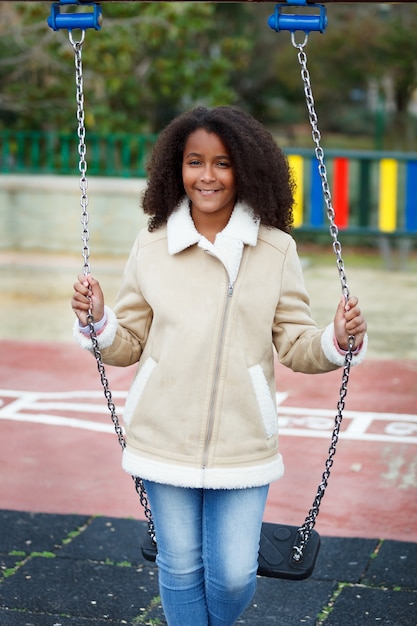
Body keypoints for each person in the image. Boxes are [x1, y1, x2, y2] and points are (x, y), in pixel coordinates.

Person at [71, 106, 367, 626]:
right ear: (175, 168)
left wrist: (335, 340)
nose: (206, 176)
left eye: (222, 163)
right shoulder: (153, 246)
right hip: (163, 434)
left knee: (232, 574)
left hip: (243, 440)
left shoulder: (275, 250)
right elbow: (129, 344)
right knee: (180, 566)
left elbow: (294, 343)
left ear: (246, 170)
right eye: (194, 162)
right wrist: (100, 320)